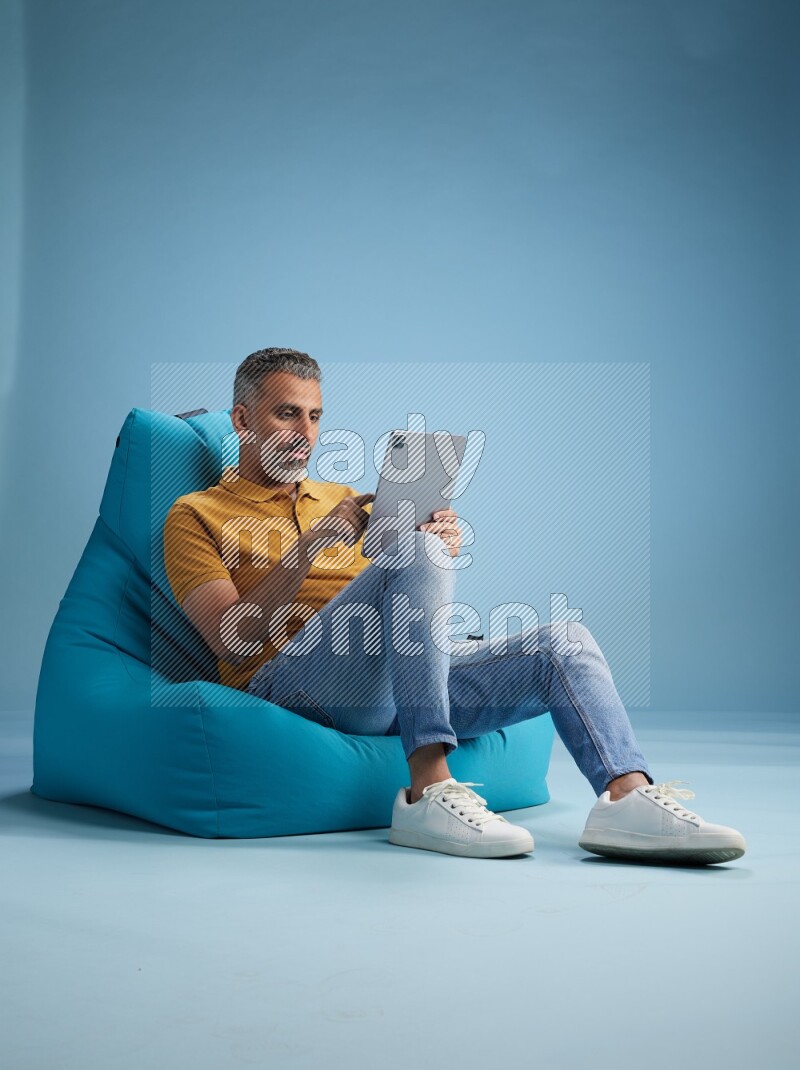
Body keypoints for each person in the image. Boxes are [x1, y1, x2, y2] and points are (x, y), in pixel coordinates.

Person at [163, 347, 746, 864]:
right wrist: (316, 543)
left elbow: (403, 603)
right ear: (242, 420)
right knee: (413, 553)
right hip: (291, 684)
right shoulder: (195, 514)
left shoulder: (345, 500)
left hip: (387, 684)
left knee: (564, 642)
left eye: (316, 416)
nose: (306, 432)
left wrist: (434, 546)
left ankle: (626, 797)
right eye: (287, 413)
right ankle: (426, 791)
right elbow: (228, 637)